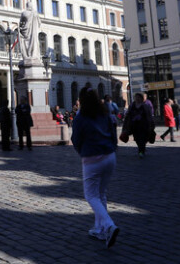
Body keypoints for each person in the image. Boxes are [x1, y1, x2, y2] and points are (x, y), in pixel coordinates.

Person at [71, 88, 120, 248]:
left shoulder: (81, 117)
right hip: (110, 156)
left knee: (91, 195)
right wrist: (112, 148)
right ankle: (99, 229)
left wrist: (82, 152)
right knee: (101, 193)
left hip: (92, 158)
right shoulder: (105, 113)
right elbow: (113, 133)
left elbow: (76, 139)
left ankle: (108, 225)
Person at [121, 93, 155, 158]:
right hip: (134, 126)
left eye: (139, 97)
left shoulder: (145, 106)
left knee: (143, 139)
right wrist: (126, 124)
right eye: (136, 97)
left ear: (141, 98)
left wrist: (151, 124)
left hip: (144, 126)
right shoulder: (132, 105)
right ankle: (141, 149)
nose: (137, 98)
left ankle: (141, 151)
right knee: (137, 139)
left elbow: (149, 116)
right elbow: (128, 115)